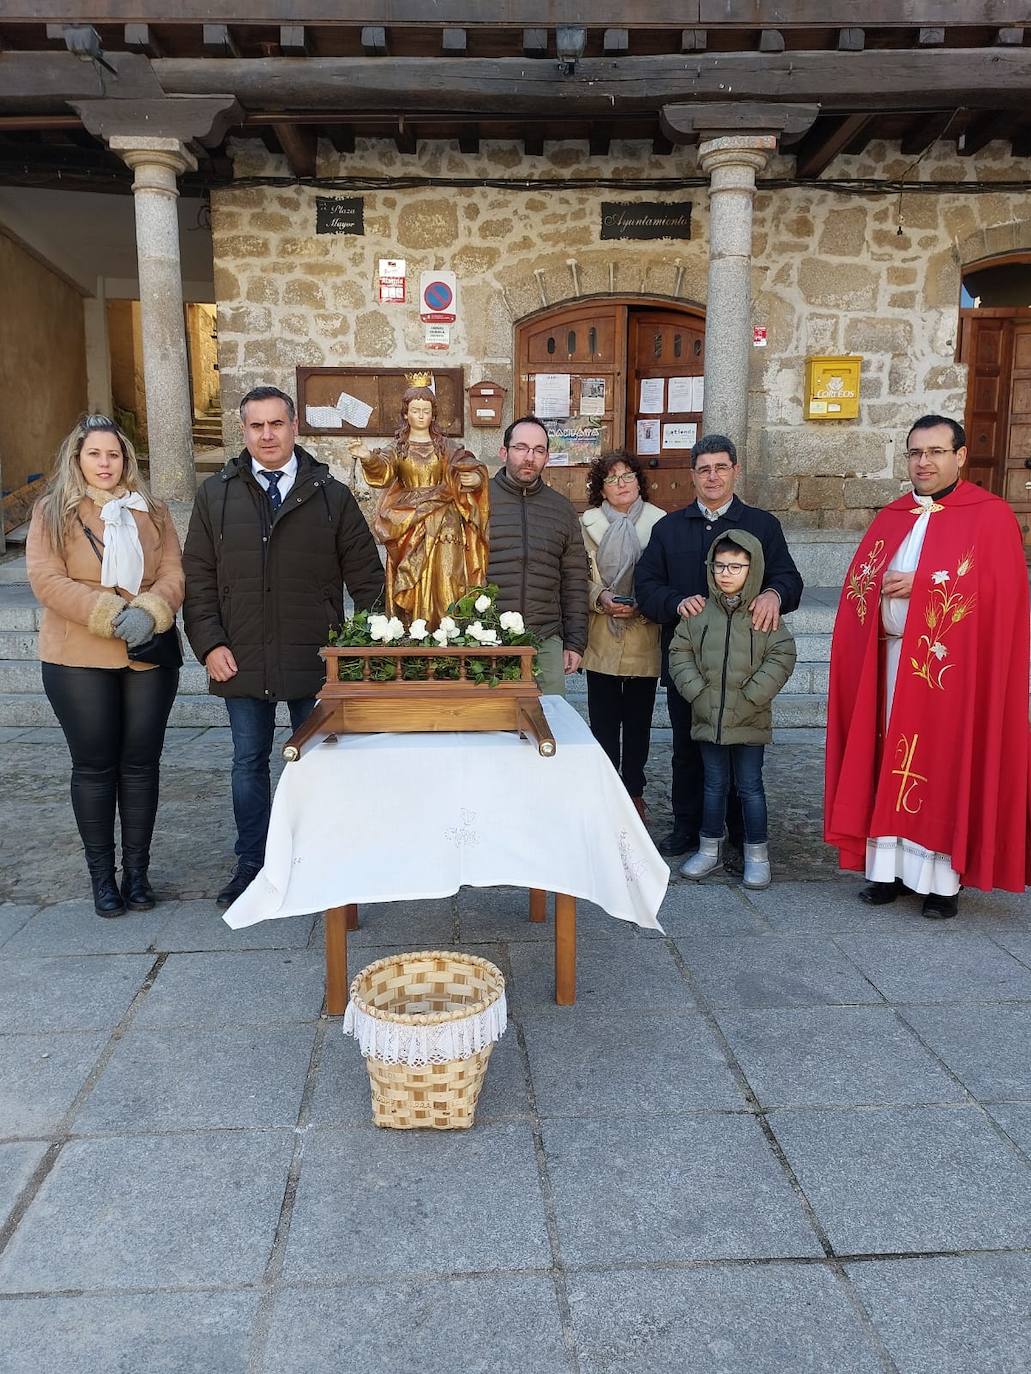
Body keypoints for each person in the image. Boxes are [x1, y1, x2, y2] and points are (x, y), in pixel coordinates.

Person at [183, 385, 384, 908]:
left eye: (277, 424)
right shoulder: (217, 495)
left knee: (317, 762)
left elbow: (369, 580)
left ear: (295, 428)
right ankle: (253, 860)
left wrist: (367, 649)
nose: (267, 435)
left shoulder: (330, 495)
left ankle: (319, 855)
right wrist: (208, 644)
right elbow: (198, 578)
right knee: (248, 761)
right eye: (256, 426)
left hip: (313, 657)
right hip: (241, 654)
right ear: (244, 431)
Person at [825, 414, 1031, 919]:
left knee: (939, 762)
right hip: (889, 663)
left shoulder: (990, 516)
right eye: (916, 453)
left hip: (949, 677)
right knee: (884, 758)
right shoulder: (891, 516)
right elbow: (860, 584)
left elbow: (998, 595)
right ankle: (887, 871)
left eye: (936, 452)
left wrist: (924, 585)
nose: (924, 462)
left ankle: (940, 881)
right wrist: (880, 591)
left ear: (960, 456)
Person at [27, 414, 184, 917]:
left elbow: (173, 572)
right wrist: (112, 612)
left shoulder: (152, 511)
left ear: (126, 461)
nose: (104, 463)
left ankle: (137, 875)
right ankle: (103, 878)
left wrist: (152, 608)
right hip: (78, 654)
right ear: (78, 459)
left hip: (145, 656)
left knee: (140, 767)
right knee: (95, 768)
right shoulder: (52, 512)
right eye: (94, 454)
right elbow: (46, 579)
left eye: (113, 455)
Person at [635, 434, 803, 858]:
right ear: (692, 475)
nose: (712, 476)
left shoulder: (762, 526)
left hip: (746, 665)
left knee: (741, 754)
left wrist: (774, 595)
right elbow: (646, 586)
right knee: (687, 748)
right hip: (690, 664)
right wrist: (676, 601)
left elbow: (789, 579)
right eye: (704, 469)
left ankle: (742, 834)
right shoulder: (669, 528)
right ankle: (689, 828)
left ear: (735, 471)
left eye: (720, 467)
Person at [668, 532, 796, 888]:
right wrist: (697, 692)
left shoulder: (762, 614)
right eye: (720, 565)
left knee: (750, 787)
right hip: (709, 717)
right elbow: (679, 653)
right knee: (713, 785)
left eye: (736, 567)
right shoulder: (698, 613)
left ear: (751, 570)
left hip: (750, 719)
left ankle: (757, 853)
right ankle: (710, 849)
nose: (726, 573)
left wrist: (753, 696)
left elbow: (782, 654)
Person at [345, 380, 489, 628]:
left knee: (448, 575)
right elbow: (384, 470)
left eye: (426, 410)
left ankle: (448, 630)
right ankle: (413, 629)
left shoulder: (446, 447)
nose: (420, 415)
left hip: (445, 520)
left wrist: (475, 478)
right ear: (405, 413)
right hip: (408, 521)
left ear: (433, 414)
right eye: (415, 410)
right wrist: (368, 457)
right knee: (414, 576)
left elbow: (467, 464)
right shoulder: (398, 448)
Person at [580, 450, 665, 819]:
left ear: (639, 481)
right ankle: (603, 787)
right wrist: (599, 596)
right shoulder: (586, 524)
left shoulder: (660, 523)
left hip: (643, 632)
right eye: (611, 479)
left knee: (637, 721)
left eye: (627, 476)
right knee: (602, 719)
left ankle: (633, 789)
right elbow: (576, 574)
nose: (621, 484)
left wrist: (644, 602)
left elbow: (666, 573)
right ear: (601, 488)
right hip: (601, 632)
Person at [486, 415, 589, 697]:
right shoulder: (477, 501)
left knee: (550, 723)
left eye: (539, 450)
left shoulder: (561, 509)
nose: (529, 457)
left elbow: (575, 579)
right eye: (521, 447)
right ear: (504, 452)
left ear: (547, 457)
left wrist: (575, 642)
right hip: (485, 639)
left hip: (544, 639)